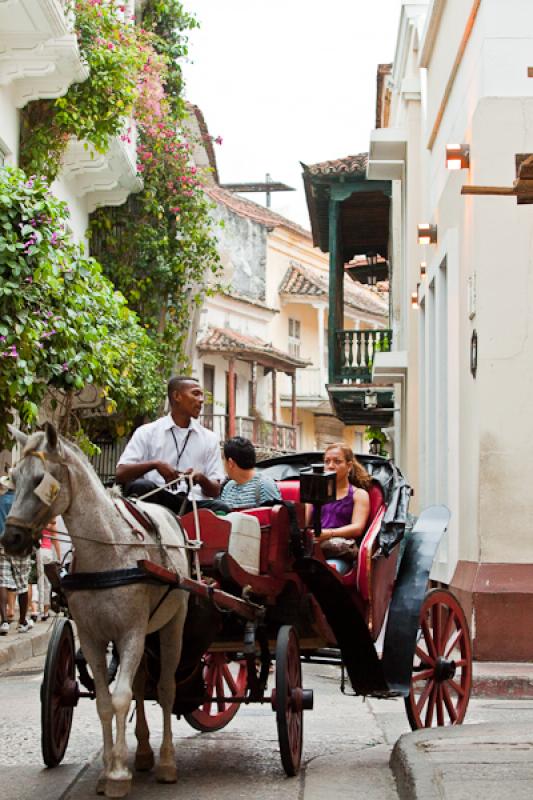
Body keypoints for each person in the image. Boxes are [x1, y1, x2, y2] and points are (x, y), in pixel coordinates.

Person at [116, 375, 228, 515]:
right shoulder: (147, 432)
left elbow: (215, 490)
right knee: (140, 486)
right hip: (158, 502)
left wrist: (201, 478)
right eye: (195, 393)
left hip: (192, 504)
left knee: (222, 508)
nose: (201, 400)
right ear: (177, 396)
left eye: (202, 395)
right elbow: (120, 473)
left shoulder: (210, 438)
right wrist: (155, 464)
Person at [307, 443, 372, 561]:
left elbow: (357, 528)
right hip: (312, 548)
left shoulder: (359, 495)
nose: (331, 466)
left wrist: (328, 533)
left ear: (349, 466)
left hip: (339, 550)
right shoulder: (314, 492)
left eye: (337, 462)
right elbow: (304, 523)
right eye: (327, 462)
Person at [0, 485, 33, 634]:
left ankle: (4, 621)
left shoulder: (0, 500)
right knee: (22, 584)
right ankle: (22, 621)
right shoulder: (25, 503)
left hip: (2, 544)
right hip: (20, 547)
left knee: (2, 581)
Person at [221, 437, 282, 508]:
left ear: (231, 463)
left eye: (224, 460)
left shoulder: (264, 485)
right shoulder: (228, 488)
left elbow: (278, 516)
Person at [34, 517, 61, 621]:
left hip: (38, 551)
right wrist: (59, 557)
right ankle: (44, 611)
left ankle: (40, 610)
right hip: (47, 552)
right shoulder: (51, 522)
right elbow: (55, 540)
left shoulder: (38, 520)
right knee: (47, 583)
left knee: (40, 581)